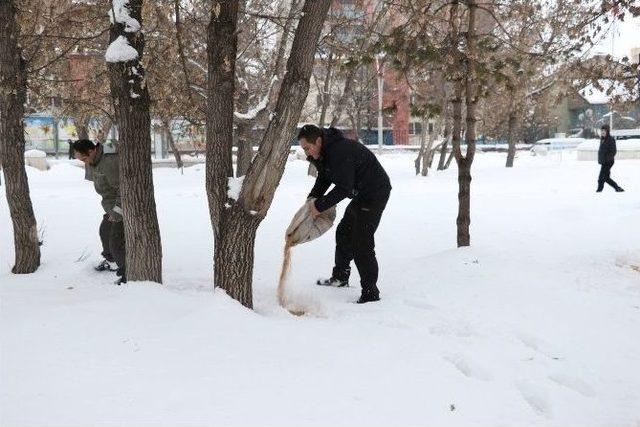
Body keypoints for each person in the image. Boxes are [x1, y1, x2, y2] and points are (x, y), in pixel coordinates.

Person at [298, 124, 391, 304]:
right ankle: (340, 277)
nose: (307, 153)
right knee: (344, 232)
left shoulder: (339, 151)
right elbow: (324, 178)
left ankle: (370, 292)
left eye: (307, 148)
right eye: (304, 150)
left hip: (374, 193)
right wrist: (313, 198)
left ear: (318, 141)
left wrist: (320, 205)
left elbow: (343, 188)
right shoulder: (323, 153)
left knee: (361, 242)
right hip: (360, 193)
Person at [71, 139, 126, 284]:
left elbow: (123, 189)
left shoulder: (108, 162)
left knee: (116, 242)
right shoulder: (94, 159)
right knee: (105, 231)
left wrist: (116, 212)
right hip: (110, 206)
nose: (84, 163)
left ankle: (128, 274)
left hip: (122, 206)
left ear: (91, 151)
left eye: (84, 158)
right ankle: (112, 262)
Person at [597, 124, 624, 193]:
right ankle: (617, 188)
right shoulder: (602, 139)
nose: (602, 132)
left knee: (601, 178)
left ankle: (599, 191)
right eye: (602, 130)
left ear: (607, 131)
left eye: (604, 131)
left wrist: (606, 159)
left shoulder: (610, 139)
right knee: (606, 178)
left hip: (608, 162)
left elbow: (613, 151)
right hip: (604, 162)